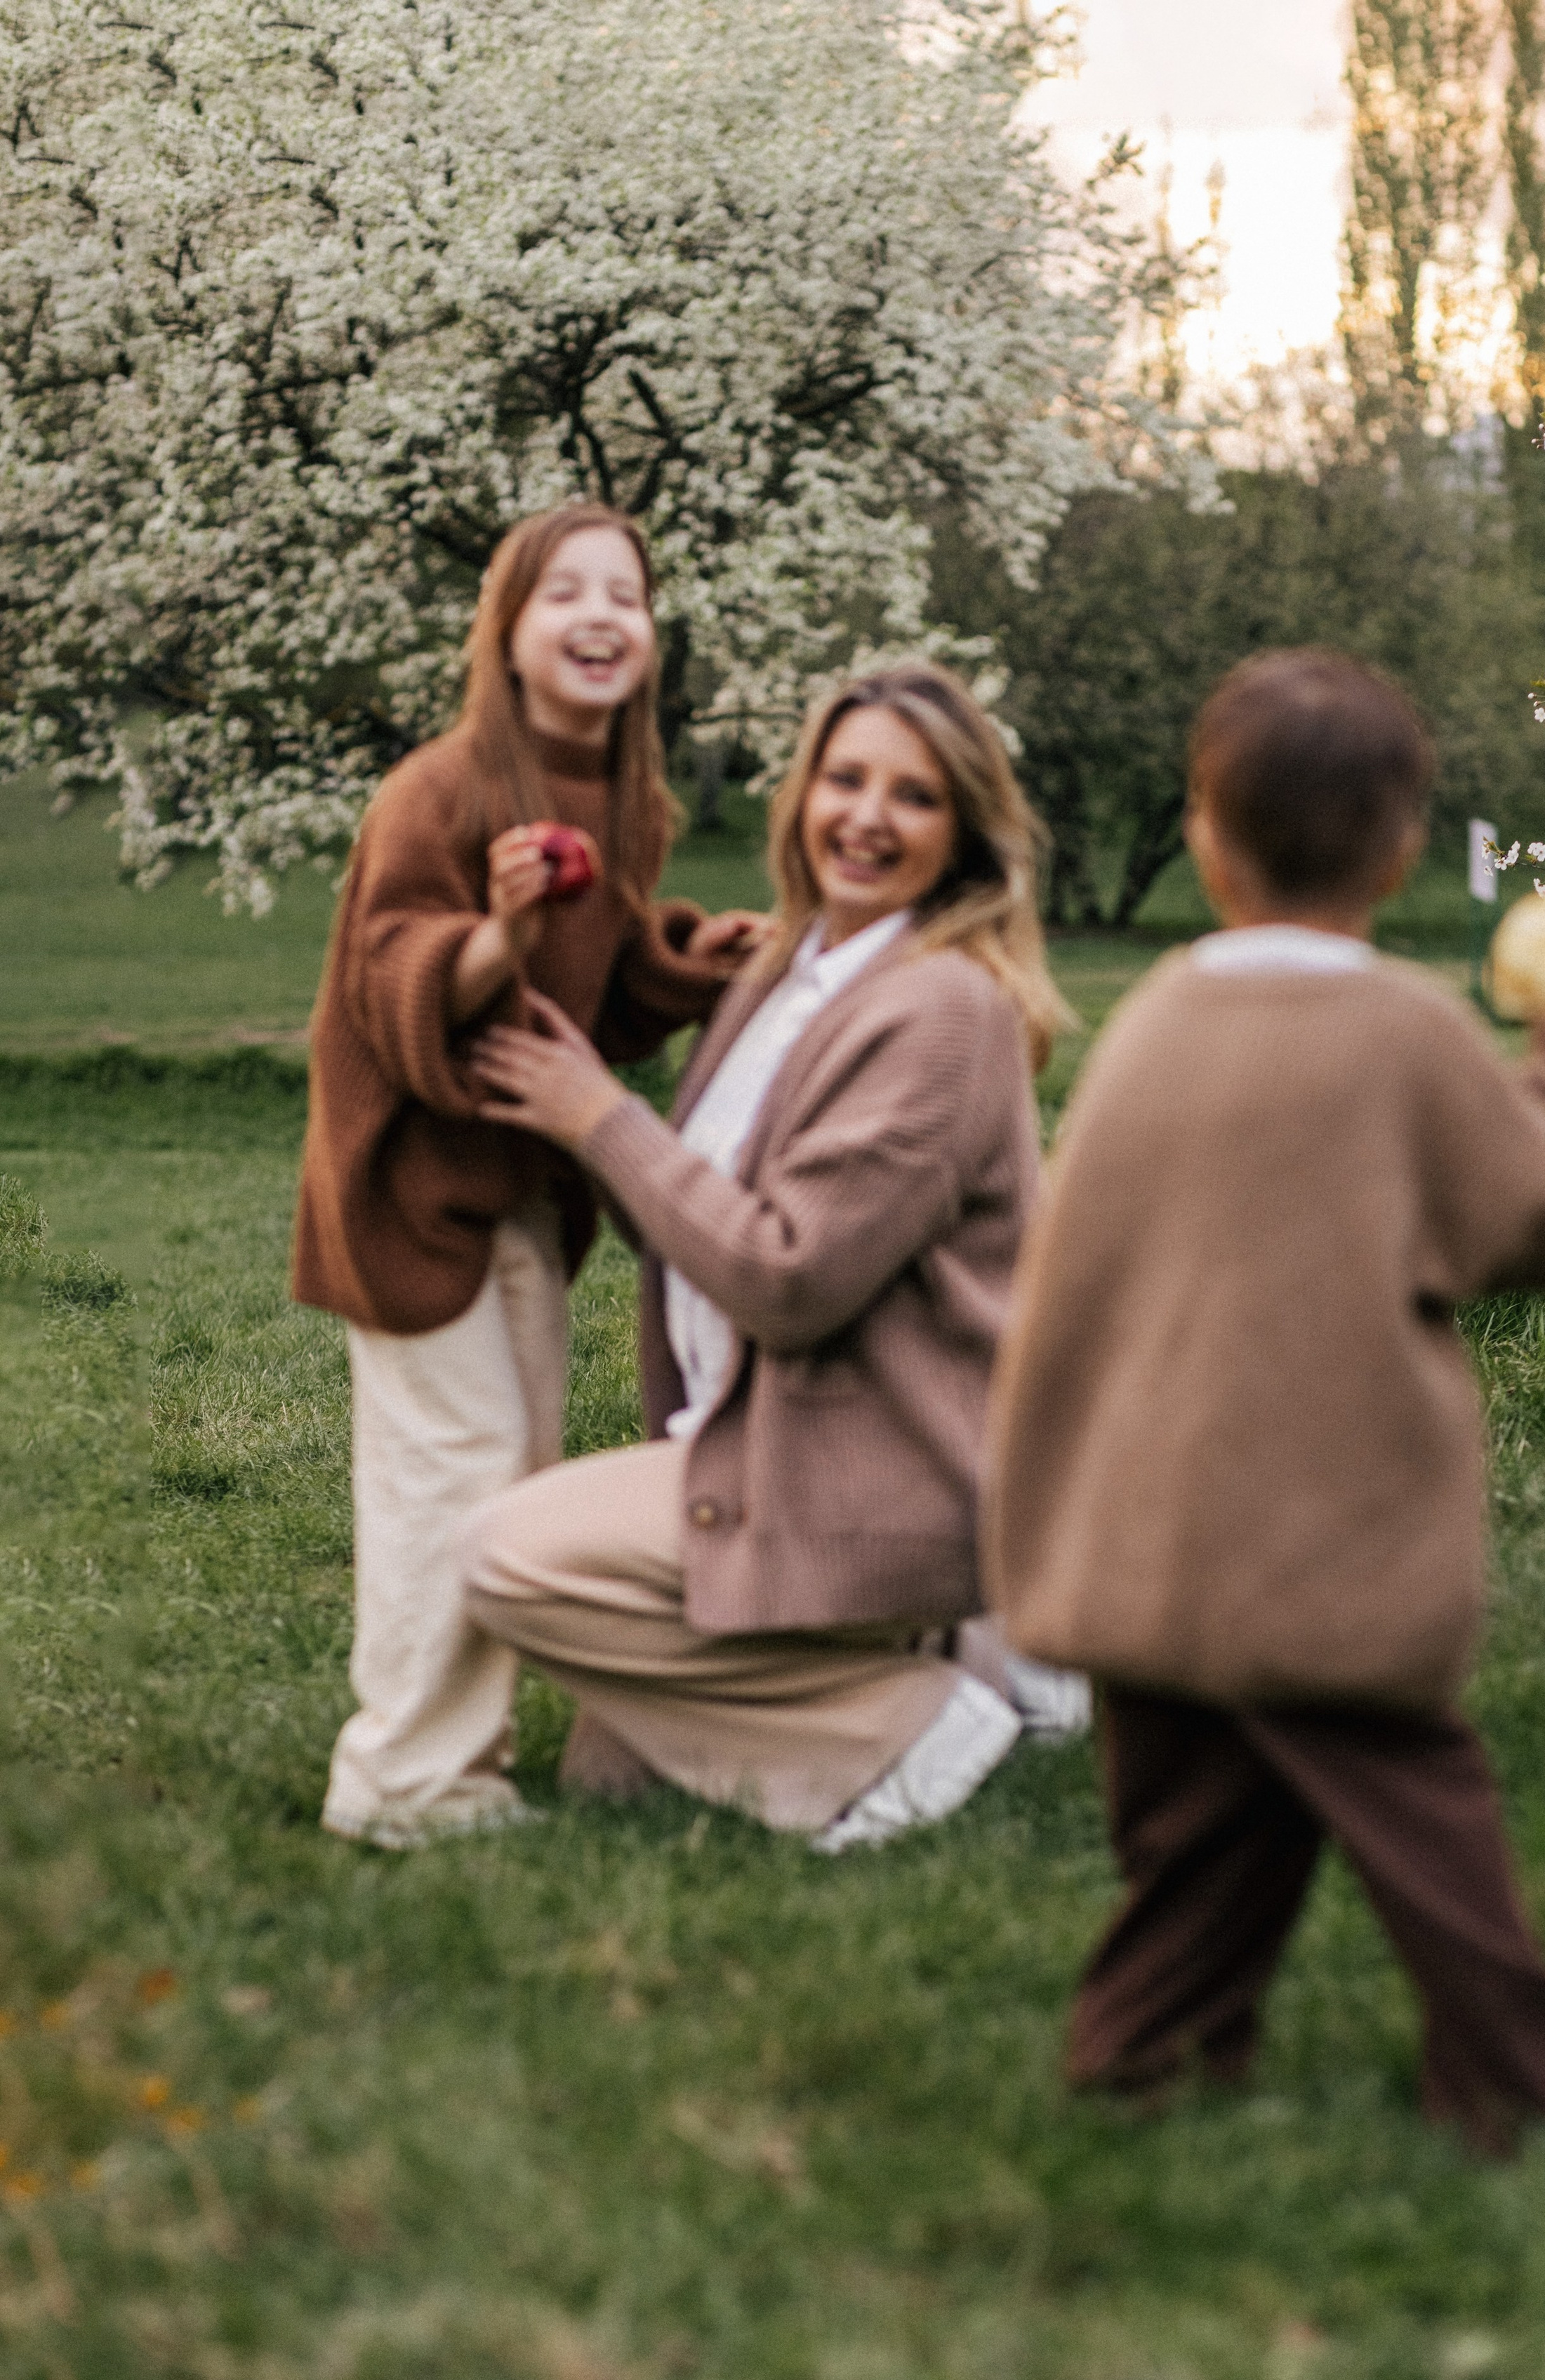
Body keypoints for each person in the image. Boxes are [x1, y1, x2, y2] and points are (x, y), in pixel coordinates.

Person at [983, 648, 1545, 2154]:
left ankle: (1142, 2053)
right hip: (1322, 1541)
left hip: (1145, 1526)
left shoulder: (1150, 1021)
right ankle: (1519, 2091)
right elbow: (1532, 1234)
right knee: (1421, 1823)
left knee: (1191, 1830)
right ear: (1402, 844)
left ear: (1205, 839)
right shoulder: (1404, 1031)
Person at [459, 661, 1074, 1849]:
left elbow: (787, 1281)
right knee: (612, 1781)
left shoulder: (943, 1009)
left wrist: (599, 1117)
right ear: (799, 798)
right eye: (845, 779)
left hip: (883, 1469)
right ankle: (972, 1659)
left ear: (965, 836)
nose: (866, 816)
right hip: (753, 1437)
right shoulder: (789, 973)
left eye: (914, 795)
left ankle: (916, 1722)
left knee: (506, 1555)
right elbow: (691, 1225)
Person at [294, 501, 762, 1849]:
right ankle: (404, 1783)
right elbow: (394, 979)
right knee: (456, 1475)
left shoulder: (624, 797)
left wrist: (690, 959)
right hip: (406, 1192)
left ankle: (465, 1754)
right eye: (567, 593)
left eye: (628, 594)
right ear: (505, 632)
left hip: (516, 1197)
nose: (603, 616)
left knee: (517, 1480)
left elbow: (598, 974)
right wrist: (495, 930)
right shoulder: (439, 792)